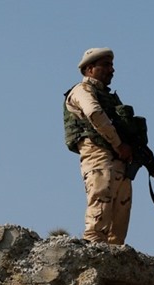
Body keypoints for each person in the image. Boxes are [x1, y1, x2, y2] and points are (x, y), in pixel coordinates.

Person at [62, 47, 137, 245]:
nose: (111, 70)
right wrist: (119, 145)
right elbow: (94, 114)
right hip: (98, 155)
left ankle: (114, 262)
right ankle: (92, 257)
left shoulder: (111, 99)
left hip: (120, 160)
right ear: (89, 69)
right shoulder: (82, 90)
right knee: (100, 210)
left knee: (119, 219)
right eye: (105, 65)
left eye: (112, 65)